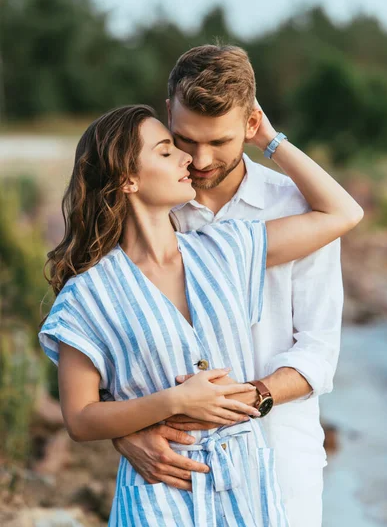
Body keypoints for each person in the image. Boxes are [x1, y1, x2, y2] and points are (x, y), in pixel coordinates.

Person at [39, 98, 362, 526]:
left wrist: (267, 137)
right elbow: (79, 419)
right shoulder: (87, 297)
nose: (187, 158)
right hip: (158, 494)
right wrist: (172, 401)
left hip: (251, 489)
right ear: (127, 179)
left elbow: (343, 212)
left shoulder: (226, 249)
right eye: (166, 150)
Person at [110, 45, 350, 527]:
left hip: (281, 459)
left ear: (250, 122)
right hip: (170, 465)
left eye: (219, 142)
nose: (200, 160)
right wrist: (125, 433)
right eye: (184, 139)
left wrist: (244, 399)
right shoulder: (145, 208)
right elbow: (104, 342)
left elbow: (319, 351)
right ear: (167, 116)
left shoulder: (299, 210)